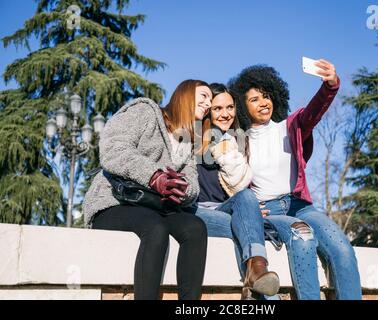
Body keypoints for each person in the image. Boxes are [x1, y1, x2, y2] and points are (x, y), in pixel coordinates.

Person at [228, 61, 362, 300]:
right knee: (302, 237)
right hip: (269, 212)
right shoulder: (239, 142)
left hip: (301, 206)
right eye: (254, 99)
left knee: (342, 249)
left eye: (266, 96)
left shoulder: (289, 127)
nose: (263, 103)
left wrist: (329, 86)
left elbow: (314, 111)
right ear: (242, 106)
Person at [82, 80, 211, 300]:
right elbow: (113, 150)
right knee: (155, 228)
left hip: (156, 206)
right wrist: (154, 176)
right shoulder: (145, 111)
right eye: (204, 96)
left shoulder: (189, 141)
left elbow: (192, 185)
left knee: (195, 227)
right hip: (114, 202)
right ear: (185, 94)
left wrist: (180, 188)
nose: (208, 103)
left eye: (210, 99)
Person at [192, 83, 280, 298]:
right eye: (217, 109)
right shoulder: (190, 137)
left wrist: (225, 145)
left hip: (225, 210)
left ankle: (257, 273)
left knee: (248, 197)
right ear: (208, 111)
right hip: (196, 212)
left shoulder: (235, 142)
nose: (225, 114)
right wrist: (251, 219)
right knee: (246, 230)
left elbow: (241, 185)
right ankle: (261, 284)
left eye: (229, 107)